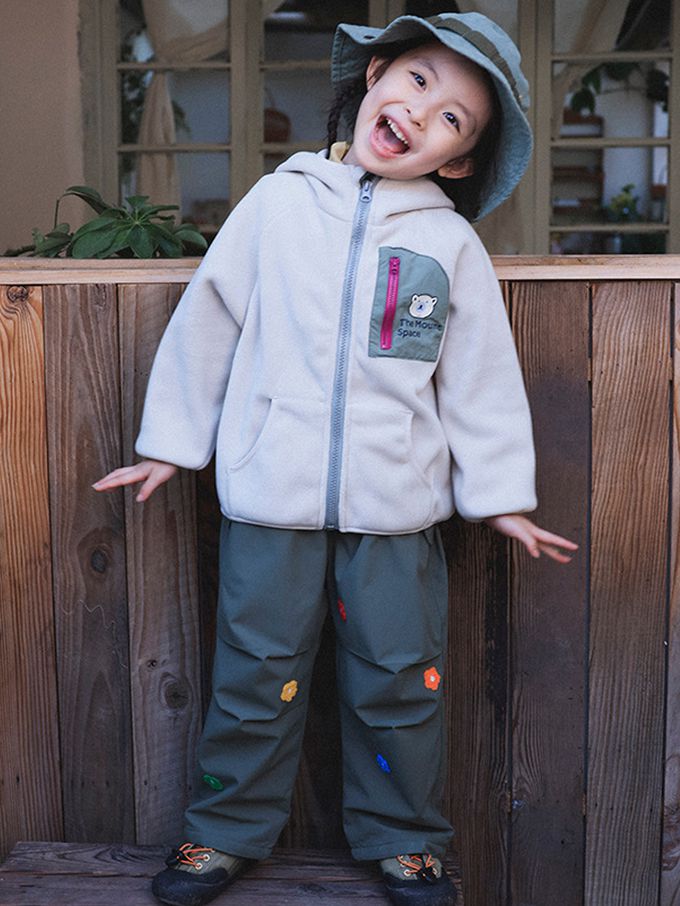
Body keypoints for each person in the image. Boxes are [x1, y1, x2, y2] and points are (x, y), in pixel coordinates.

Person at [94, 12, 577, 906]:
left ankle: (405, 839)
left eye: (452, 119)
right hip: (268, 502)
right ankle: (222, 833)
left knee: (400, 683)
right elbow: (210, 321)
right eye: (418, 81)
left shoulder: (449, 245)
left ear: (458, 161)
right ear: (377, 73)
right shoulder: (276, 205)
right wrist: (170, 444)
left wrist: (502, 495)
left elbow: (479, 379)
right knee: (254, 677)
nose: (420, 112)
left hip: (396, 516)